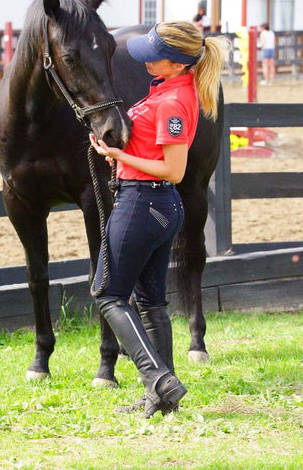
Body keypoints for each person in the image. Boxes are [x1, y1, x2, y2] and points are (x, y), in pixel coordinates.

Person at [90, 21, 227, 418]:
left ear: (178, 63)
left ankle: (159, 379)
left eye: (154, 55)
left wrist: (117, 157)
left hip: (143, 202)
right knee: (150, 302)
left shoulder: (173, 103)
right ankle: (160, 398)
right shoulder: (165, 91)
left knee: (107, 293)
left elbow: (174, 170)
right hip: (155, 206)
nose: (146, 60)